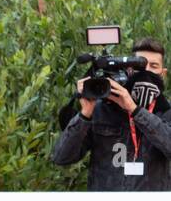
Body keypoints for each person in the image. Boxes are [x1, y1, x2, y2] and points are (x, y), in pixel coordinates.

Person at [52, 38, 171, 190]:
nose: (146, 71)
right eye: (139, 64)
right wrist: (85, 113)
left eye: (153, 66)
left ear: (163, 73)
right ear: (129, 69)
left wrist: (134, 110)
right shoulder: (102, 109)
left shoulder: (166, 111)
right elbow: (62, 157)